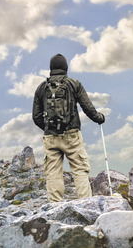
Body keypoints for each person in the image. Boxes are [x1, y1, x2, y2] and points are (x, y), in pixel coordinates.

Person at [32, 53, 105, 202]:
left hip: (50, 137)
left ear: (51, 69)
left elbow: (36, 116)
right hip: (72, 135)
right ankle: (85, 204)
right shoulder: (74, 84)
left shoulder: (42, 88)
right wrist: (99, 118)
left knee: (53, 172)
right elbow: (88, 108)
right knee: (80, 169)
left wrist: (48, 128)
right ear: (66, 68)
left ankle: (55, 206)